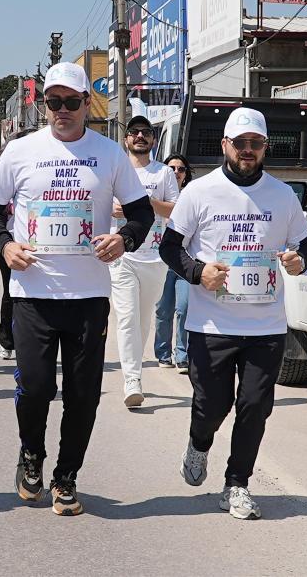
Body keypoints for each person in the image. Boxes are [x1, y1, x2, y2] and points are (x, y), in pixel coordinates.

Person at [0, 62, 153, 516]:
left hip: (88, 297)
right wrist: (4, 244)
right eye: (53, 102)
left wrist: (123, 238)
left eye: (71, 102)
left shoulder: (110, 153)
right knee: (36, 389)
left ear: (85, 105)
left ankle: (66, 476)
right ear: (43, 105)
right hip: (33, 294)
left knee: (83, 394)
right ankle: (31, 455)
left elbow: (141, 213)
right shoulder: (20, 152)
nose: (62, 110)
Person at [159, 107, 307, 520]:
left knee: (254, 406)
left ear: (264, 148)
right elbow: (170, 247)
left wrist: (299, 260)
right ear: (225, 145)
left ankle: (237, 484)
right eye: (240, 143)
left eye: (256, 144)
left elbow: (305, 245)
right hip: (211, 323)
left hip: (265, 324)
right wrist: (198, 272)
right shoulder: (198, 191)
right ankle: (199, 441)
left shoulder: (282, 195)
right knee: (212, 404)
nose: (248, 151)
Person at [110, 115, 180, 408]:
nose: (140, 136)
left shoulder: (163, 174)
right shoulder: (116, 170)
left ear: (153, 139)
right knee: (127, 318)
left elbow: (176, 211)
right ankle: (132, 380)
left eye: (146, 132)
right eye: (134, 132)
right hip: (121, 255)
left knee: (142, 320)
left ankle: (134, 369)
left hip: (153, 257)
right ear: (126, 139)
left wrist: (143, 204)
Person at [0, 126, 38, 361]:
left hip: (42, 242)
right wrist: (4, 242)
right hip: (10, 240)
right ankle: (7, 338)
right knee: (13, 289)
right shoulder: (9, 171)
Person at [153, 154, 193, 374]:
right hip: (161, 261)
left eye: (181, 169)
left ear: (186, 174)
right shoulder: (157, 196)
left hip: (185, 261)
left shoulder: (192, 196)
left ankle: (182, 355)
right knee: (163, 310)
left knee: (184, 308)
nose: (176, 172)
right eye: (172, 168)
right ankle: (163, 353)